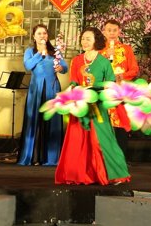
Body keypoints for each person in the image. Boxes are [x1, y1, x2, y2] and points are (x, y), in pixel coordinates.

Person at [55, 27, 130, 185]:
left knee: (102, 140)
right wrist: (72, 93)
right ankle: (78, 174)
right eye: (83, 38)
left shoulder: (103, 62)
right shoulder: (76, 60)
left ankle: (115, 174)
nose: (85, 41)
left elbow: (109, 84)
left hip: (97, 106)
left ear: (96, 40)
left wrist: (96, 90)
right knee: (78, 140)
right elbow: (74, 82)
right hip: (81, 106)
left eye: (88, 38)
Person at [17, 24, 67, 166]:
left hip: (52, 88)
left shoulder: (55, 51)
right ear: (34, 36)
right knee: (35, 121)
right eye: (39, 33)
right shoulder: (30, 51)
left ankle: (50, 158)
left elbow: (65, 68)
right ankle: (32, 157)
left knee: (52, 121)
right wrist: (40, 53)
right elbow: (28, 66)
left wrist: (61, 67)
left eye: (44, 33)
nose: (42, 36)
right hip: (36, 89)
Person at [101, 19, 139, 158]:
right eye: (109, 30)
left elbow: (134, 69)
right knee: (105, 124)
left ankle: (121, 158)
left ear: (119, 32)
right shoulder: (99, 50)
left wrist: (122, 76)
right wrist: (105, 55)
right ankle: (105, 157)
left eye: (114, 30)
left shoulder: (126, 49)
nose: (111, 33)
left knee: (121, 123)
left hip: (122, 91)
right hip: (105, 91)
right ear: (104, 32)